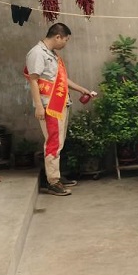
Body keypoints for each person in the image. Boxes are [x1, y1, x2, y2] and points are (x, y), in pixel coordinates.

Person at [25, 23, 95, 196]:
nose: (65, 43)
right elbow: (33, 80)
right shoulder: (37, 53)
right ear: (57, 37)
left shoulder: (52, 54)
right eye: (65, 40)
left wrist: (82, 89)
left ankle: (55, 175)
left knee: (58, 143)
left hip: (60, 104)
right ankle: (53, 181)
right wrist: (39, 106)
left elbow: (61, 80)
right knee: (53, 143)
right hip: (49, 106)